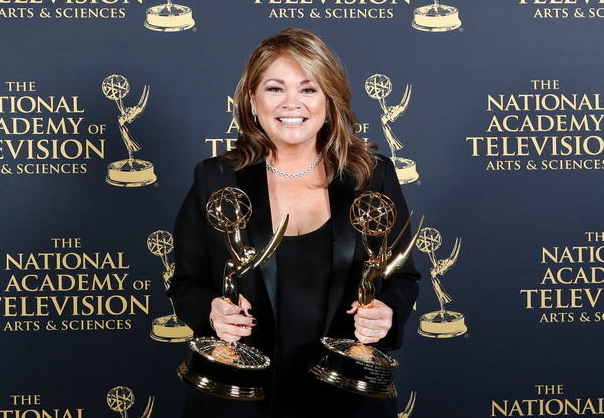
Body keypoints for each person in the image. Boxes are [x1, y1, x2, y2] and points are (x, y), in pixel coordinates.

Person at [168, 28, 420, 418]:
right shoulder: (216, 179)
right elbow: (185, 284)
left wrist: (387, 312)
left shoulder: (372, 176)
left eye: (308, 89)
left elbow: (403, 278)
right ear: (252, 100)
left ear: (328, 100)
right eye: (274, 89)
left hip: (346, 395)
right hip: (240, 397)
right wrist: (211, 312)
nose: (291, 104)